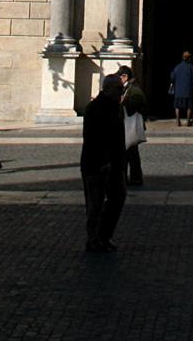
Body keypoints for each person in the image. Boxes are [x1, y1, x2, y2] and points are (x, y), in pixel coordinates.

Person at [80, 73, 128, 253]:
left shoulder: (115, 107)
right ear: (108, 89)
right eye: (118, 89)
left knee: (118, 198)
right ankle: (93, 239)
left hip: (114, 164)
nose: (121, 93)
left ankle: (104, 235)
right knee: (95, 205)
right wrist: (103, 161)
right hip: (96, 165)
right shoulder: (95, 108)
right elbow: (92, 139)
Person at [118, 66, 146, 186]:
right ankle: (132, 177)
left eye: (120, 76)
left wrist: (124, 103)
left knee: (129, 154)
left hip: (129, 126)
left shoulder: (133, 89)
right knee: (130, 154)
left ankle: (133, 178)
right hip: (128, 126)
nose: (119, 79)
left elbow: (139, 102)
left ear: (125, 77)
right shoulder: (127, 88)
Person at [169, 50, 193, 127]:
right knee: (189, 106)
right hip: (188, 90)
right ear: (189, 58)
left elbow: (172, 77)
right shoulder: (192, 67)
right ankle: (188, 122)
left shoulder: (177, 67)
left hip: (178, 90)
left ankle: (178, 122)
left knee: (177, 106)